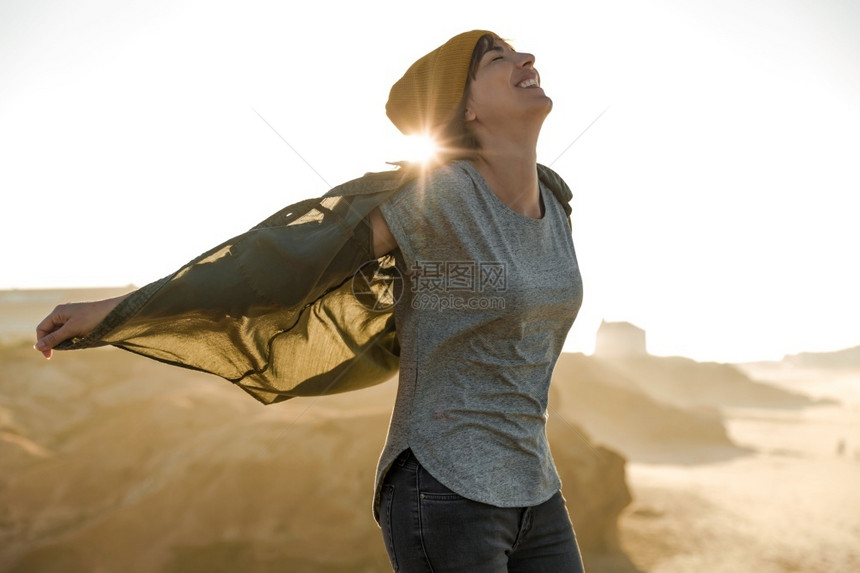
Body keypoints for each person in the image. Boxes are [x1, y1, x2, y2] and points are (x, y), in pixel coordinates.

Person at [35, 30, 585, 572]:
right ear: (465, 109)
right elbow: (276, 268)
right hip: (445, 491)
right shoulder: (436, 194)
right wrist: (120, 309)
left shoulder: (555, 203)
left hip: (536, 488)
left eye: (516, 51)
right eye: (497, 58)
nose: (525, 57)